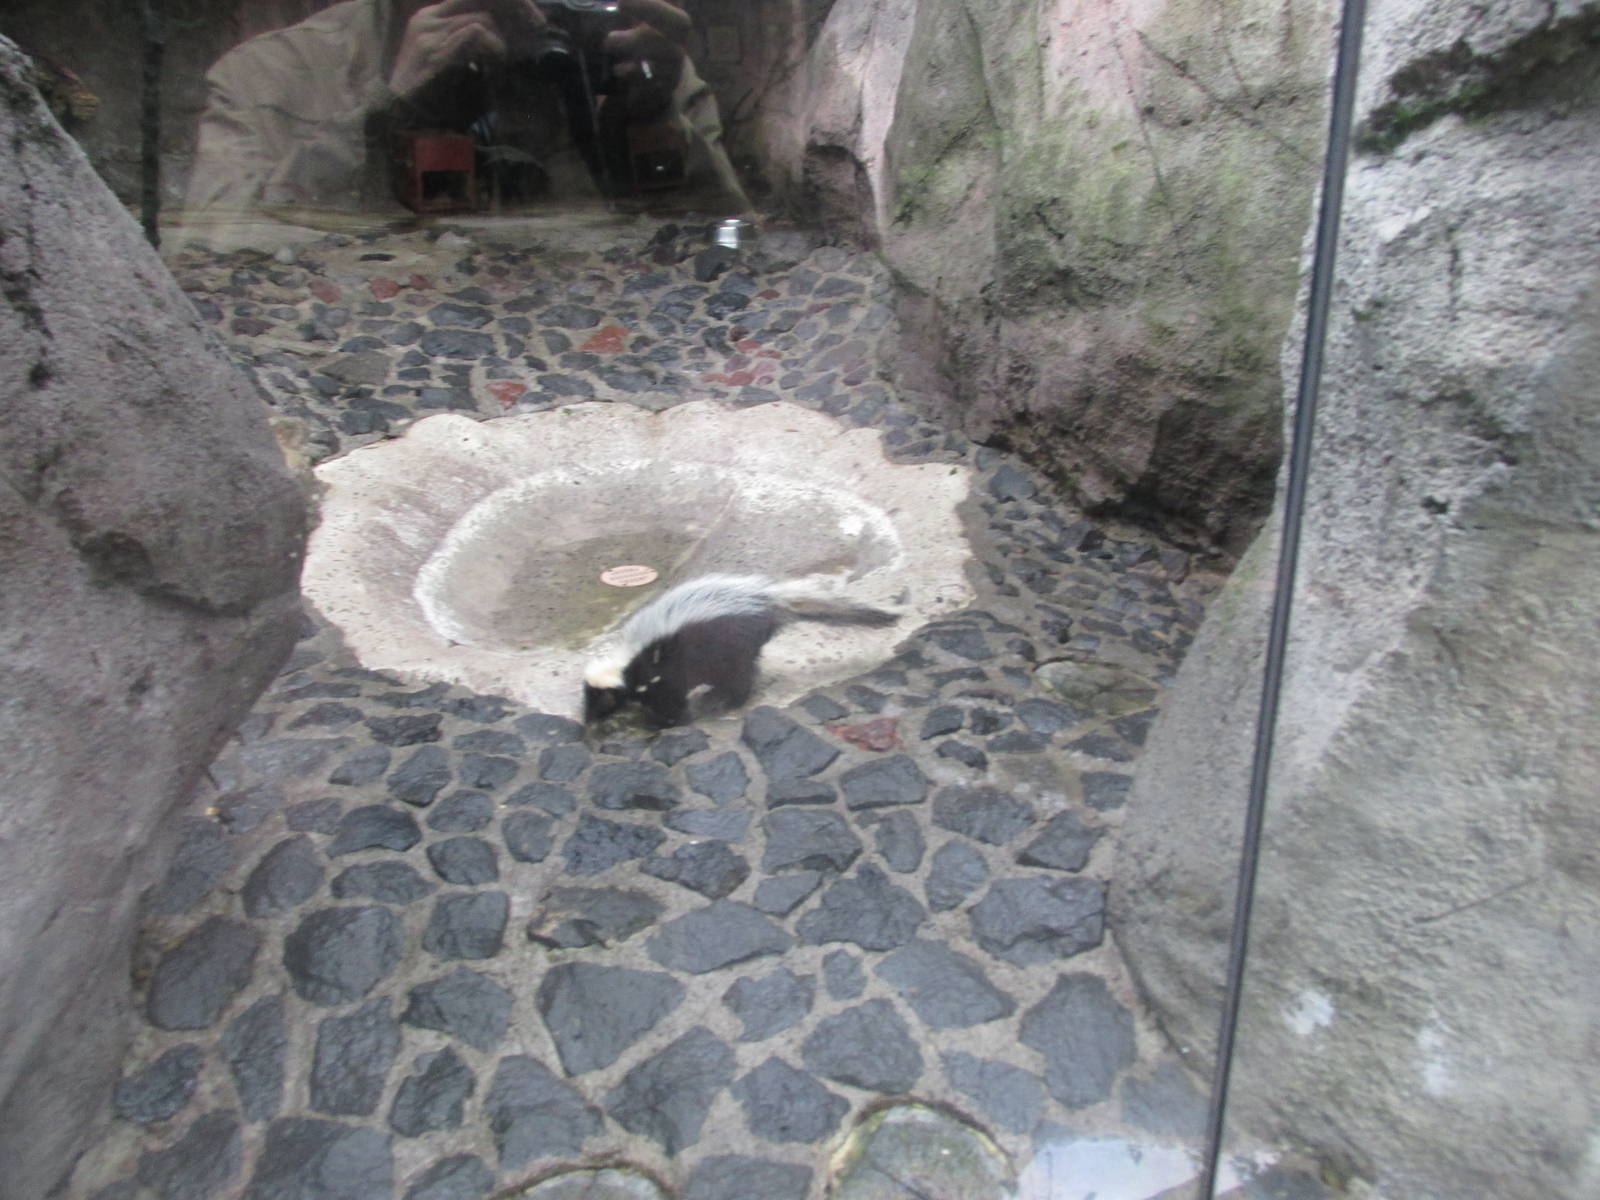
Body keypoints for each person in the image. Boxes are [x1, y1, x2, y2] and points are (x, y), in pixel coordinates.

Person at [181, 0, 749, 246]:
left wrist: (647, 122)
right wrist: (387, 115)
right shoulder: (276, 74)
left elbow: (735, 242)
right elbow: (207, 251)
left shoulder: (621, 60)